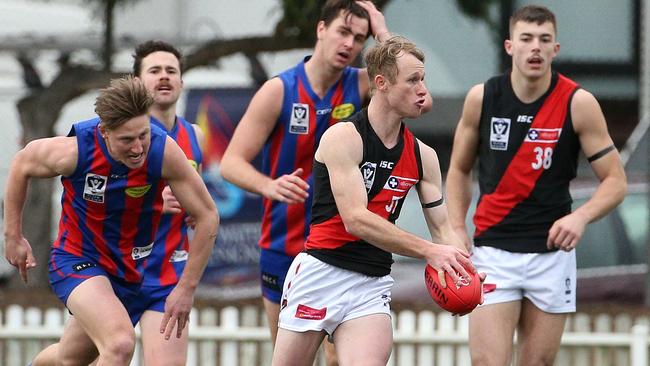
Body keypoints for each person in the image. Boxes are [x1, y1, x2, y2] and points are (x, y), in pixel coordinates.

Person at [220, 2, 430, 357]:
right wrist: (268, 185)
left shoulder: (363, 83)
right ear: (321, 30)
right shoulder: (280, 90)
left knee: (339, 357)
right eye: (343, 32)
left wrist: (382, 30)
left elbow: (406, 78)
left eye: (359, 38)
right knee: (289, 354)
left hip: (346, 250)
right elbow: (230, 163)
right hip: (285, 243)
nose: (350, 44)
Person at [271, 35, 477, 366]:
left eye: (423, 79)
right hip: (320, 272)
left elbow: (442, 229)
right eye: (413, 80)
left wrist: (461, 267)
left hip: (370, 283)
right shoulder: (343, 138)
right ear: (380, 83)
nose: (423, 89)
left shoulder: (424, 157)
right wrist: (429, 251)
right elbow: (356, 219)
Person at [445, 5, 627, 366]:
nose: (536, 48)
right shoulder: (482, 98)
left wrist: (581, 217)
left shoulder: (579, 103)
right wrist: (453, 228)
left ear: (555, 49)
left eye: (544, 40)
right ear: (510, 46)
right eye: (527, 39)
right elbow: (458, 170)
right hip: (494, 252)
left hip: (552, 256)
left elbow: (616, 182)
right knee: (488, 362)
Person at [4, 75, 219, 366]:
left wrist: (186, 288)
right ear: (104, 132)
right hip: (77, 258)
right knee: (119, 344)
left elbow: (207, 216)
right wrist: (13, 236)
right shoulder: (75, 150)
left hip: (129, 270)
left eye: (142, 134)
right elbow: (22, 164)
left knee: (69, 359)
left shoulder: (162, 150)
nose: (137, 148)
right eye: (126, 139)